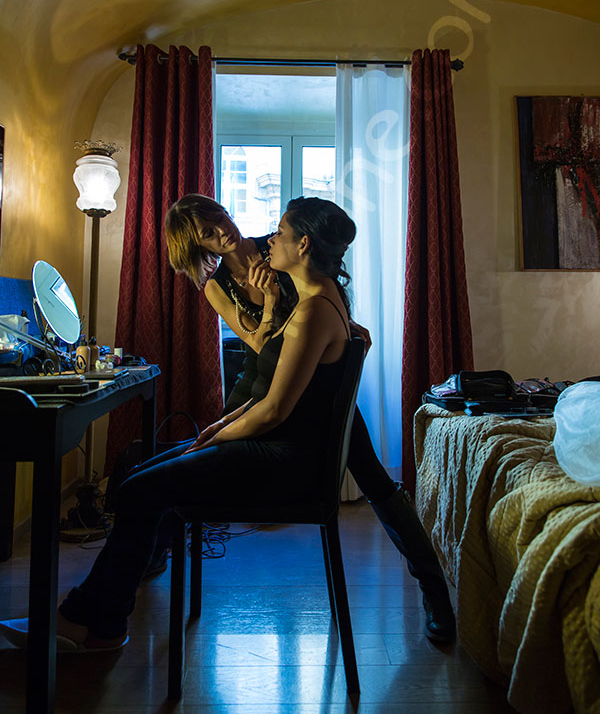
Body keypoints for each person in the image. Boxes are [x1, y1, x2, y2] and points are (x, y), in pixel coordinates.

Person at [0, 196, 369, 651]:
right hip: (280, 438)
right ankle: (98, 614)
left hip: (285, 455)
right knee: (138, 477)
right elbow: (269, 385)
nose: (271, 238)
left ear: (304, 244)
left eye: (280, 233)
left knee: (139, 489)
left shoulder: (313, 310)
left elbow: (274, 408)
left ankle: (90, 621)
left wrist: (214, 435)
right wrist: (219, 428)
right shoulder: (313, 299)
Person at [165, 194, 455, 643]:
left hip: (313, 382)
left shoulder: (279, 245)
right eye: (208, 232)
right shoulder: (217, 287)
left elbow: (324, 298)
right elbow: (262, 349)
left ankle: (435, 594)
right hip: (260, 384)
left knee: (376, 481)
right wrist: (265, 303)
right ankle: (152, 544)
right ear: (199, 247)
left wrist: (345, 331)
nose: (222, 230)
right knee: (193, 463)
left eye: (218, 217)